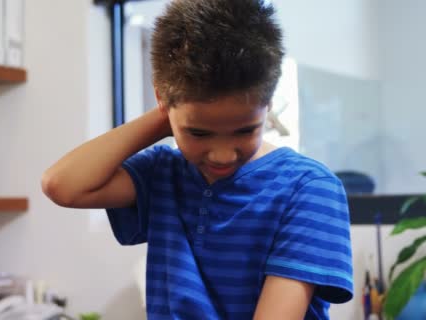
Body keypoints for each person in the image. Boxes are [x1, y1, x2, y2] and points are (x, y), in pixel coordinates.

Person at [42, 0, 353, 318]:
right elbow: (62, 185)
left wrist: (184, 116)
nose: (222, 154)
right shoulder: (163, 172)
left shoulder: (309, 188)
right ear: (161, 99)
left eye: (244, 130)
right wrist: (170, 111)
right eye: (200, 133)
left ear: (268, 103)